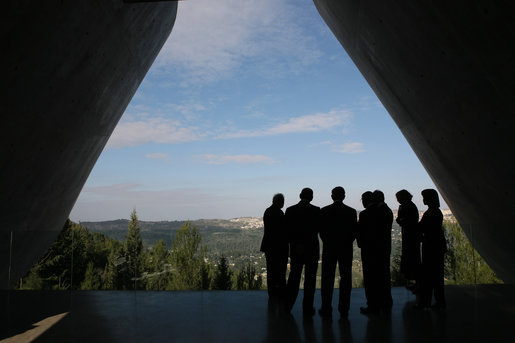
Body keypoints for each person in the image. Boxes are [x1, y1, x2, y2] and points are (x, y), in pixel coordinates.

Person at [318, 187, 357, 318]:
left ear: (332, 196)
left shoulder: (324, 211)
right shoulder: (351, 212)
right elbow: (353, 232)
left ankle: (326, 307)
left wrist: (328, 242)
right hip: (346, 248)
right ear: (344, 196)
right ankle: (344, 308)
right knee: (346, 278)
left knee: (327, 278)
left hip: (329, 248)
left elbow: (321, 232)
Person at [285, 188, 321, 316]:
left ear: (300, 196)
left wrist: (296, 243)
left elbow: (287, 232)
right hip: (312, 250)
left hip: (296, 249)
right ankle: (307, 309)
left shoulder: (290, 210)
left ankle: (287, 306)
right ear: (311, 197)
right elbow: (319, 230)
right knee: (310, 280)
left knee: (294, 278)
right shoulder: (317, 211)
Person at [416, 189, 446, 309]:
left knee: (429, 276)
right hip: (435, 246)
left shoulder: (432, 213)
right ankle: (438, 301)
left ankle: (426, 302)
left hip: (431, 247)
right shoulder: (435, 212)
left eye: (424, 197)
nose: (423, 200)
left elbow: (423, 227)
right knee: (436, 276)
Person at [260, 193, 288, 302]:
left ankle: (272, 293)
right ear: (280, 201)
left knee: (271, 270)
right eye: (283, 201)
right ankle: (280, 292)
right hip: (279, 247)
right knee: (280, 271)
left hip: (269, 246)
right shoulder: (279, 213)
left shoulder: (267, 211)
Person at [372, 190, 394, 310]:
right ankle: (385, 300)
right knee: (384, 274)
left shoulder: (379, 211)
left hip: (378, 247)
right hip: (384, 247)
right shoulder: (387, 210)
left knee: (380, 275)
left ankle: (381, 301)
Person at [395, 189, 420, 292]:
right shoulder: (410, 206)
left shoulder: (407, 207)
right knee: (413, 259)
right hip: (411, 237)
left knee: (412, 259)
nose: (398, 200)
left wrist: (400, 220)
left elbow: (406, 221)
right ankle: (417, 283)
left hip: (410, 237)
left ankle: (416, 283)